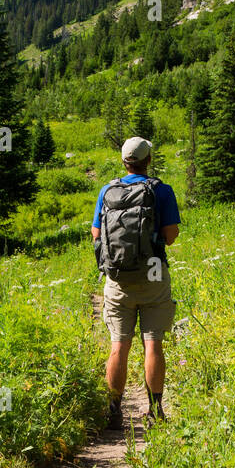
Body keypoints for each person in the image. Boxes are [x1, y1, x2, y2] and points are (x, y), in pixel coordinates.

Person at [91, 136, 181, 427]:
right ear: (148, 160)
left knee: (119, 346)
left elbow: (95, 235)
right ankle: (156, 411)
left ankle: (113, 410)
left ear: (123, 161)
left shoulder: (107, 190)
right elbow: (170, 236)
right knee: (153, 344)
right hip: (153, 273)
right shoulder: (161, 191)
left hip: (118, 278)